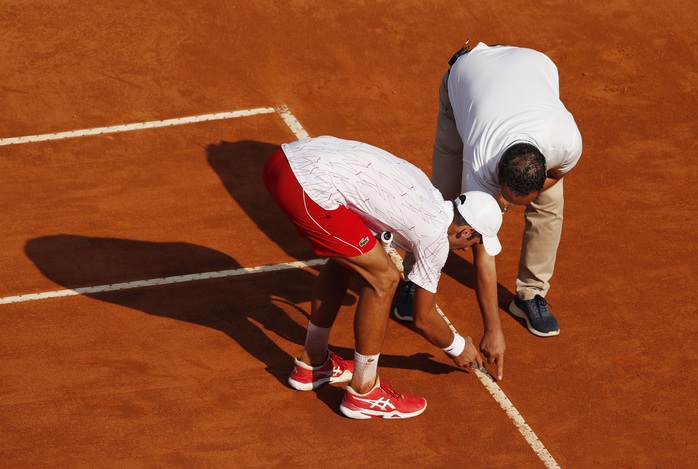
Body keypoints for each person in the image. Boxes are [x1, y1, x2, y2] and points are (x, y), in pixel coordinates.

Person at [262, 135, 503, 419]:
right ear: (465, 232)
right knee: (384, 279)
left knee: (350, 261)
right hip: (306, 185)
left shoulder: (426, 191)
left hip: (283, 161)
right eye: (474, 243)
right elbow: (423, 318)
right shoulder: (436, 238)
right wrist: (458, 347)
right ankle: (364, 392)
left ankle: (313, 363)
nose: (467, 250)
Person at [395, 41, 583, 377]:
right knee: (442, 198)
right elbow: (481, 250)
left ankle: (530, 294)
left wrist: (504, 202)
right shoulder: (481, 161)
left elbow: (557, 176)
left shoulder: (566, 141)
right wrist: (493, 329)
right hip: (466, 81)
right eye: (506, 196)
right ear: (497, 175)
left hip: (530, 69)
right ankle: (413, 278)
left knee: (551, 206)